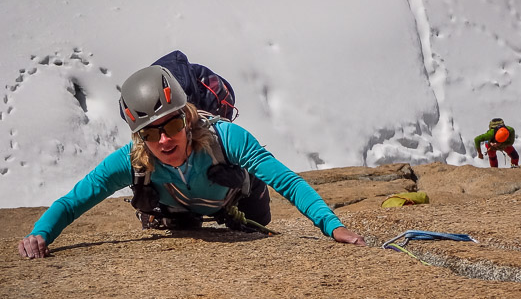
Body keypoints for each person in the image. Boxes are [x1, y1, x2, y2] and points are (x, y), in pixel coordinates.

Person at [18, 64, 366, 259]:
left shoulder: (227, 138)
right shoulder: (131, 161)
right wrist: (40, 234)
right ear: (139, 137)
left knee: (253, 228)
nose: (164, 139)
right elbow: (77, 198)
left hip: (235, 199)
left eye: (171, 124)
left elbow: (287, 181)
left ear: (186, 117)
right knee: (179, 226)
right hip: (178, 209)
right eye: (151, 134)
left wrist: (331, 226)